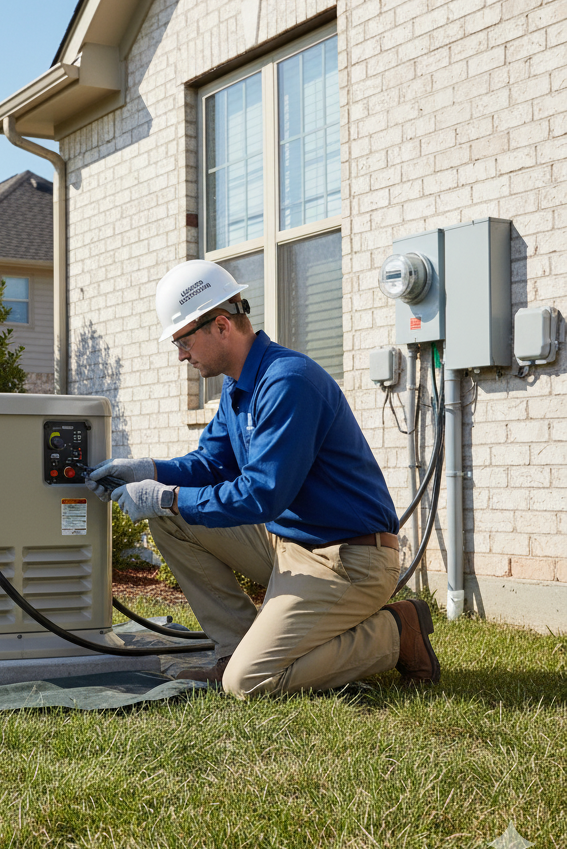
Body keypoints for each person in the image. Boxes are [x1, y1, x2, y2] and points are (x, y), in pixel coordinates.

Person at [85, 260, 439, 698]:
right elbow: (211, 465)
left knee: (249, 683)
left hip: (348, 559)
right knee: (172, 517)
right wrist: (148, 472)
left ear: (220, 325)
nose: (180, 354)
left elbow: (262, 494)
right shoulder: (237, 390)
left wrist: (167, 495)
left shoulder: (289, 382)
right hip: (289, 544)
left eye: (183, 339)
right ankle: (234, 649)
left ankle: (395, 632)